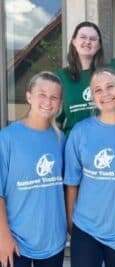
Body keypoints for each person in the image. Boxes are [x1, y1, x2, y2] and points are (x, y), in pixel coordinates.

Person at [64, 68, 115, 267]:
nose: (105, 94)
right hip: (86, 227)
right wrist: (71, 222)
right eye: (97, 90)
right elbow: (72, 184)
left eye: (110, 87)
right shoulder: (80, 132)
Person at [0, 72, 66, 267]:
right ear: (29, 96)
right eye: (42, 94)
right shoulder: (7, 138)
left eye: (54, 97)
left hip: (53, 242)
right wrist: (3, 237)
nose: (48, 101)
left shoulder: (61, 139)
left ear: (59, 103)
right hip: (16, 242)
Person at [56, 21, 105, 135]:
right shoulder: (60, 77)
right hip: (72, 146)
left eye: (93, 39)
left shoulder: (110, 75)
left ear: (99, 46)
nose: (87, 42)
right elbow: (56, 122)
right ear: (74, 41)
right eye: (83, 37)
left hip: (104, 143)